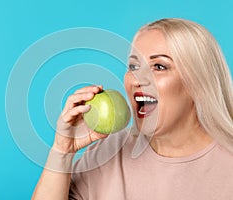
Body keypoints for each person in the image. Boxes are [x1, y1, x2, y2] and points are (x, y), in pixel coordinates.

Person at [32, 18, 233, 200]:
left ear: (198, 83)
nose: (137, 79)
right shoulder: (108, 151)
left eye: (159, 66)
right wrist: (62, 151)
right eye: (134, 67)